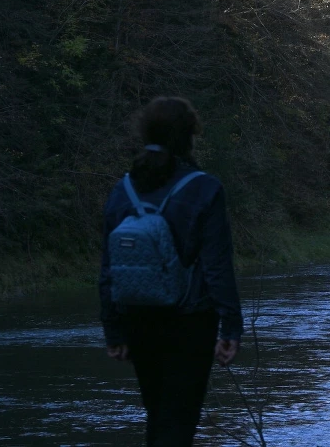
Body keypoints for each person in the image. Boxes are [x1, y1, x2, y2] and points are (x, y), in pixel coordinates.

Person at [100, 97, 242, 447]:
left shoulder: (123, 190)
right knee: (178, 422)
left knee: (157, 415)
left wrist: (114, 330)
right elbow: (217, 266)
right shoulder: (205, 188)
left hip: (138, 316)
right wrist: (231, 327)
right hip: (191, 321)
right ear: (190, 136)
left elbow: (108, 267)